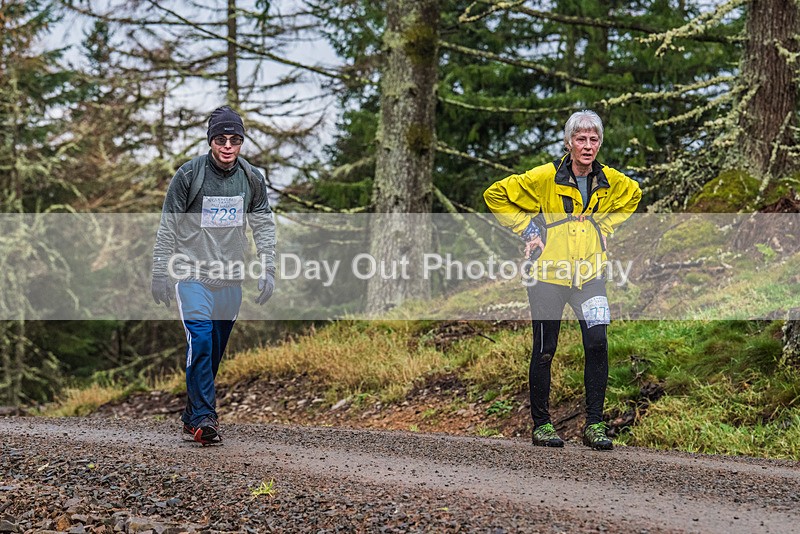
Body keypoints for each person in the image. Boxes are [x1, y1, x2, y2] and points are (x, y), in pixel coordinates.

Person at [484, 110, 641, 450]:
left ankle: (595, 425)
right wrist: (527, 229)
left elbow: (635, 195)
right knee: (545, 349)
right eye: (581, 139)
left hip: (589, 275)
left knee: (597, 343)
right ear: (569, 143)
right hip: (547, 276)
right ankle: (542, 425)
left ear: (600, 143)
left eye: (593, 139)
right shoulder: (544, 177)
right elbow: (495, 194)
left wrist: (605, 226)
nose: (587, 146)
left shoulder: (610, 179)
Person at [150, 106, 277, 445]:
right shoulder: (189, 175)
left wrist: (269, 268)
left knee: (214, 352)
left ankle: (193, 415)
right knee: (201, 341)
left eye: (235, 140)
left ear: (241, 143)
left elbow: (263, 224)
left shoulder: (251, 178)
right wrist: (159, 271)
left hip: (230, 281)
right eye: (221, 139)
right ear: (211, 141)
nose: (227, 146)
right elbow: (168, 226)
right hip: (191, 276)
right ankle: (206, 417)